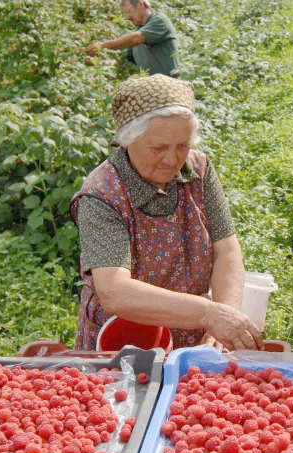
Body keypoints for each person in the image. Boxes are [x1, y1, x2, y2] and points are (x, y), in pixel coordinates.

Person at [70, 74, 262, 352]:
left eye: (182, 145)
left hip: (195, 337)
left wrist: (225, 316)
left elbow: (226, 250)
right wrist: (208, 313)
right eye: (158, 148)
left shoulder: (199, 170)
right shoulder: (102, 193)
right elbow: (114, 291)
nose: (172, 159)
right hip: (125, 345)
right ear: (127, 140)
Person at [85, 0, 180, 77]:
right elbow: (123, 63)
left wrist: (103, 46)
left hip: (169, 85)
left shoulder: (160, 20)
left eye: (129, 11)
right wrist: (99, 63)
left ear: (140, 4)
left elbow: (136, 38)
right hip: (151, 87)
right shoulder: (138, 32)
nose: (127, 17)